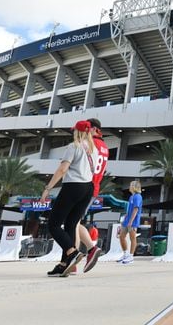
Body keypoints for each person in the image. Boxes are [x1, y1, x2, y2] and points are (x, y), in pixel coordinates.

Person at [40, 120, 97, 277]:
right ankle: (65, 264)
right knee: (71, 225)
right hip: (88, 188)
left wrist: (48, 188)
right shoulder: (93, 149)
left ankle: (72, 252)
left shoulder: (74, 146)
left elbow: (62, 169)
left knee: (53, 224)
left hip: (73, 186)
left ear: (77, 132)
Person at [75, 117, 109, 273]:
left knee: (72, 223)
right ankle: (87, 250)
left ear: (93, 128)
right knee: (74, 221)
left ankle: (75, 256)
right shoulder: (104, 147)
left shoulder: (91, 143)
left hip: (83, 185)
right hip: (94, 188)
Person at [118, 180, 143, 264]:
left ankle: (131, 256)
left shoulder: (138, 196)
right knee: (121, 236)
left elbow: (136, 209)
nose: (129, 186)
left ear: (134, 187)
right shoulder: (131, 197)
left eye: (131, 185)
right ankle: (126, 254)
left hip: (133, 221)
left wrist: (131, 221)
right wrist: (126, 217)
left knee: (132, 238)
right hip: (127, 220)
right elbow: (130, 209)